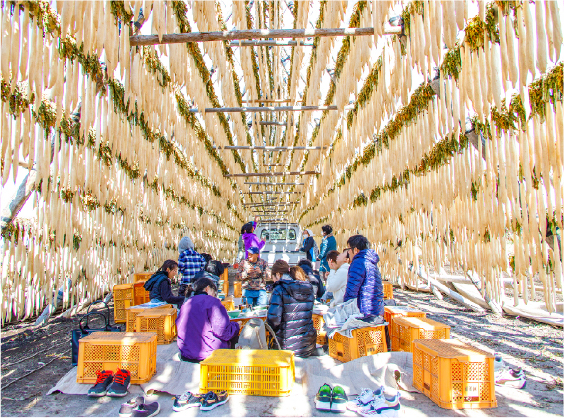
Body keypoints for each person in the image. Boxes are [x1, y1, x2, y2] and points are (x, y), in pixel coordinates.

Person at [176, 277, 240, 363]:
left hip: (187, 353)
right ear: (207, 288)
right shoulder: (212, 302)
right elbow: (223, 331)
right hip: (210, 354)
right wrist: (236, 326)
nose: (214, 295)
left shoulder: (187, 303)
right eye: (214, 293)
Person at [267, 260, 317, 357]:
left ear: (277, 274)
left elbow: (274, 320)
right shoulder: (308, 287)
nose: (273, 281)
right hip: (307, 346)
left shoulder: (279, 289)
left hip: (286, 348)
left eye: (273, 278)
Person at [343, 235, 384, 320]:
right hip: (376, 310)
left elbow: (351, 292)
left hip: (364, 312)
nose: (348, 253)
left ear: (355, 250)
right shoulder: (371, 262)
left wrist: (345, 309)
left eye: (349, 249)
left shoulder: (358, 263)